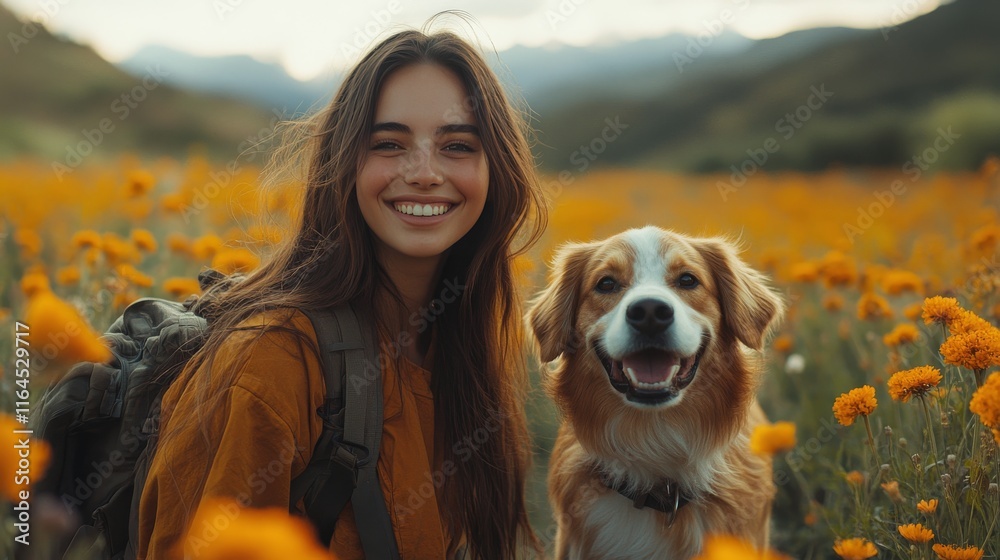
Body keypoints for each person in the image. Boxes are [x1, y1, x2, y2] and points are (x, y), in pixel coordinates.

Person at [135, 24, 547, 560]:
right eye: (389, 144)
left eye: (457, 146)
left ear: (498, 170)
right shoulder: (270, 363)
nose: (424, 173)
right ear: (344, 163)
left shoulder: (466, 350)